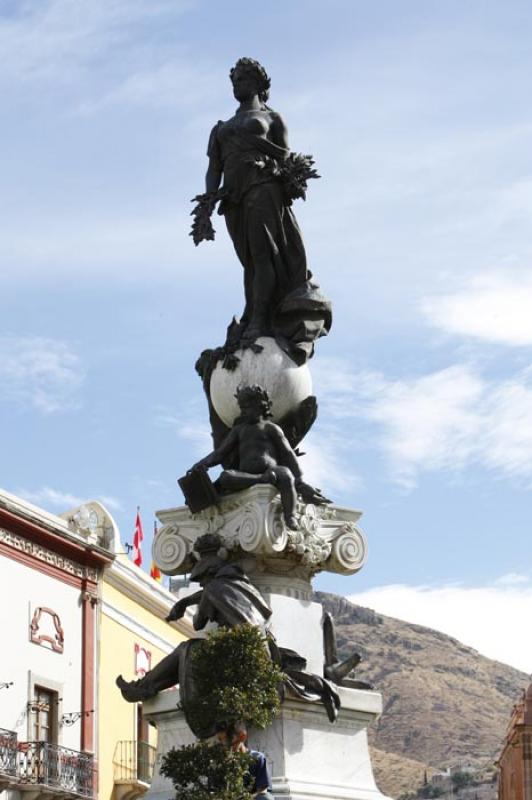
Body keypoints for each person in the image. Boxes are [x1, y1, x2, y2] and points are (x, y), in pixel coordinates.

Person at [194, 57, 331, 364]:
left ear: (258, 83)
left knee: (262, 253)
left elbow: (285, 157)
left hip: (262, 187)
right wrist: (208, 199)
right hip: (234, 199)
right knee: (250, 263)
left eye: (243, 79)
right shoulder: (221, 128)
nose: (237, 85)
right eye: (234, 81)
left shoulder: (273, 118)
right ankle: (254, 312)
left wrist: (266, 154)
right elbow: (213, 167)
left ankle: (259, 320)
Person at [189, 384, 329, 530]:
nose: (243, 412)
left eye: (246, 408)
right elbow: (220, 453)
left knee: (286, 475)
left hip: (271, 472)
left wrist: (299, 481)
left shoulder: (271, 428)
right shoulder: (239, 430)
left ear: (260, 406)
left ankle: (290, 516)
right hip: (247, 476)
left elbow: (288, 454)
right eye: (242, 408)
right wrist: (201, 464)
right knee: (226, 476)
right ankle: (260, 480)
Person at [215, 721, 273, 800]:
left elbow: (262, 791)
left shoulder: (258, 758)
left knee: (266, 798)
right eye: (220, 739)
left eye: (228, 739)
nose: (224, 743)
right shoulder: (218, 763)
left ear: (242, 736)